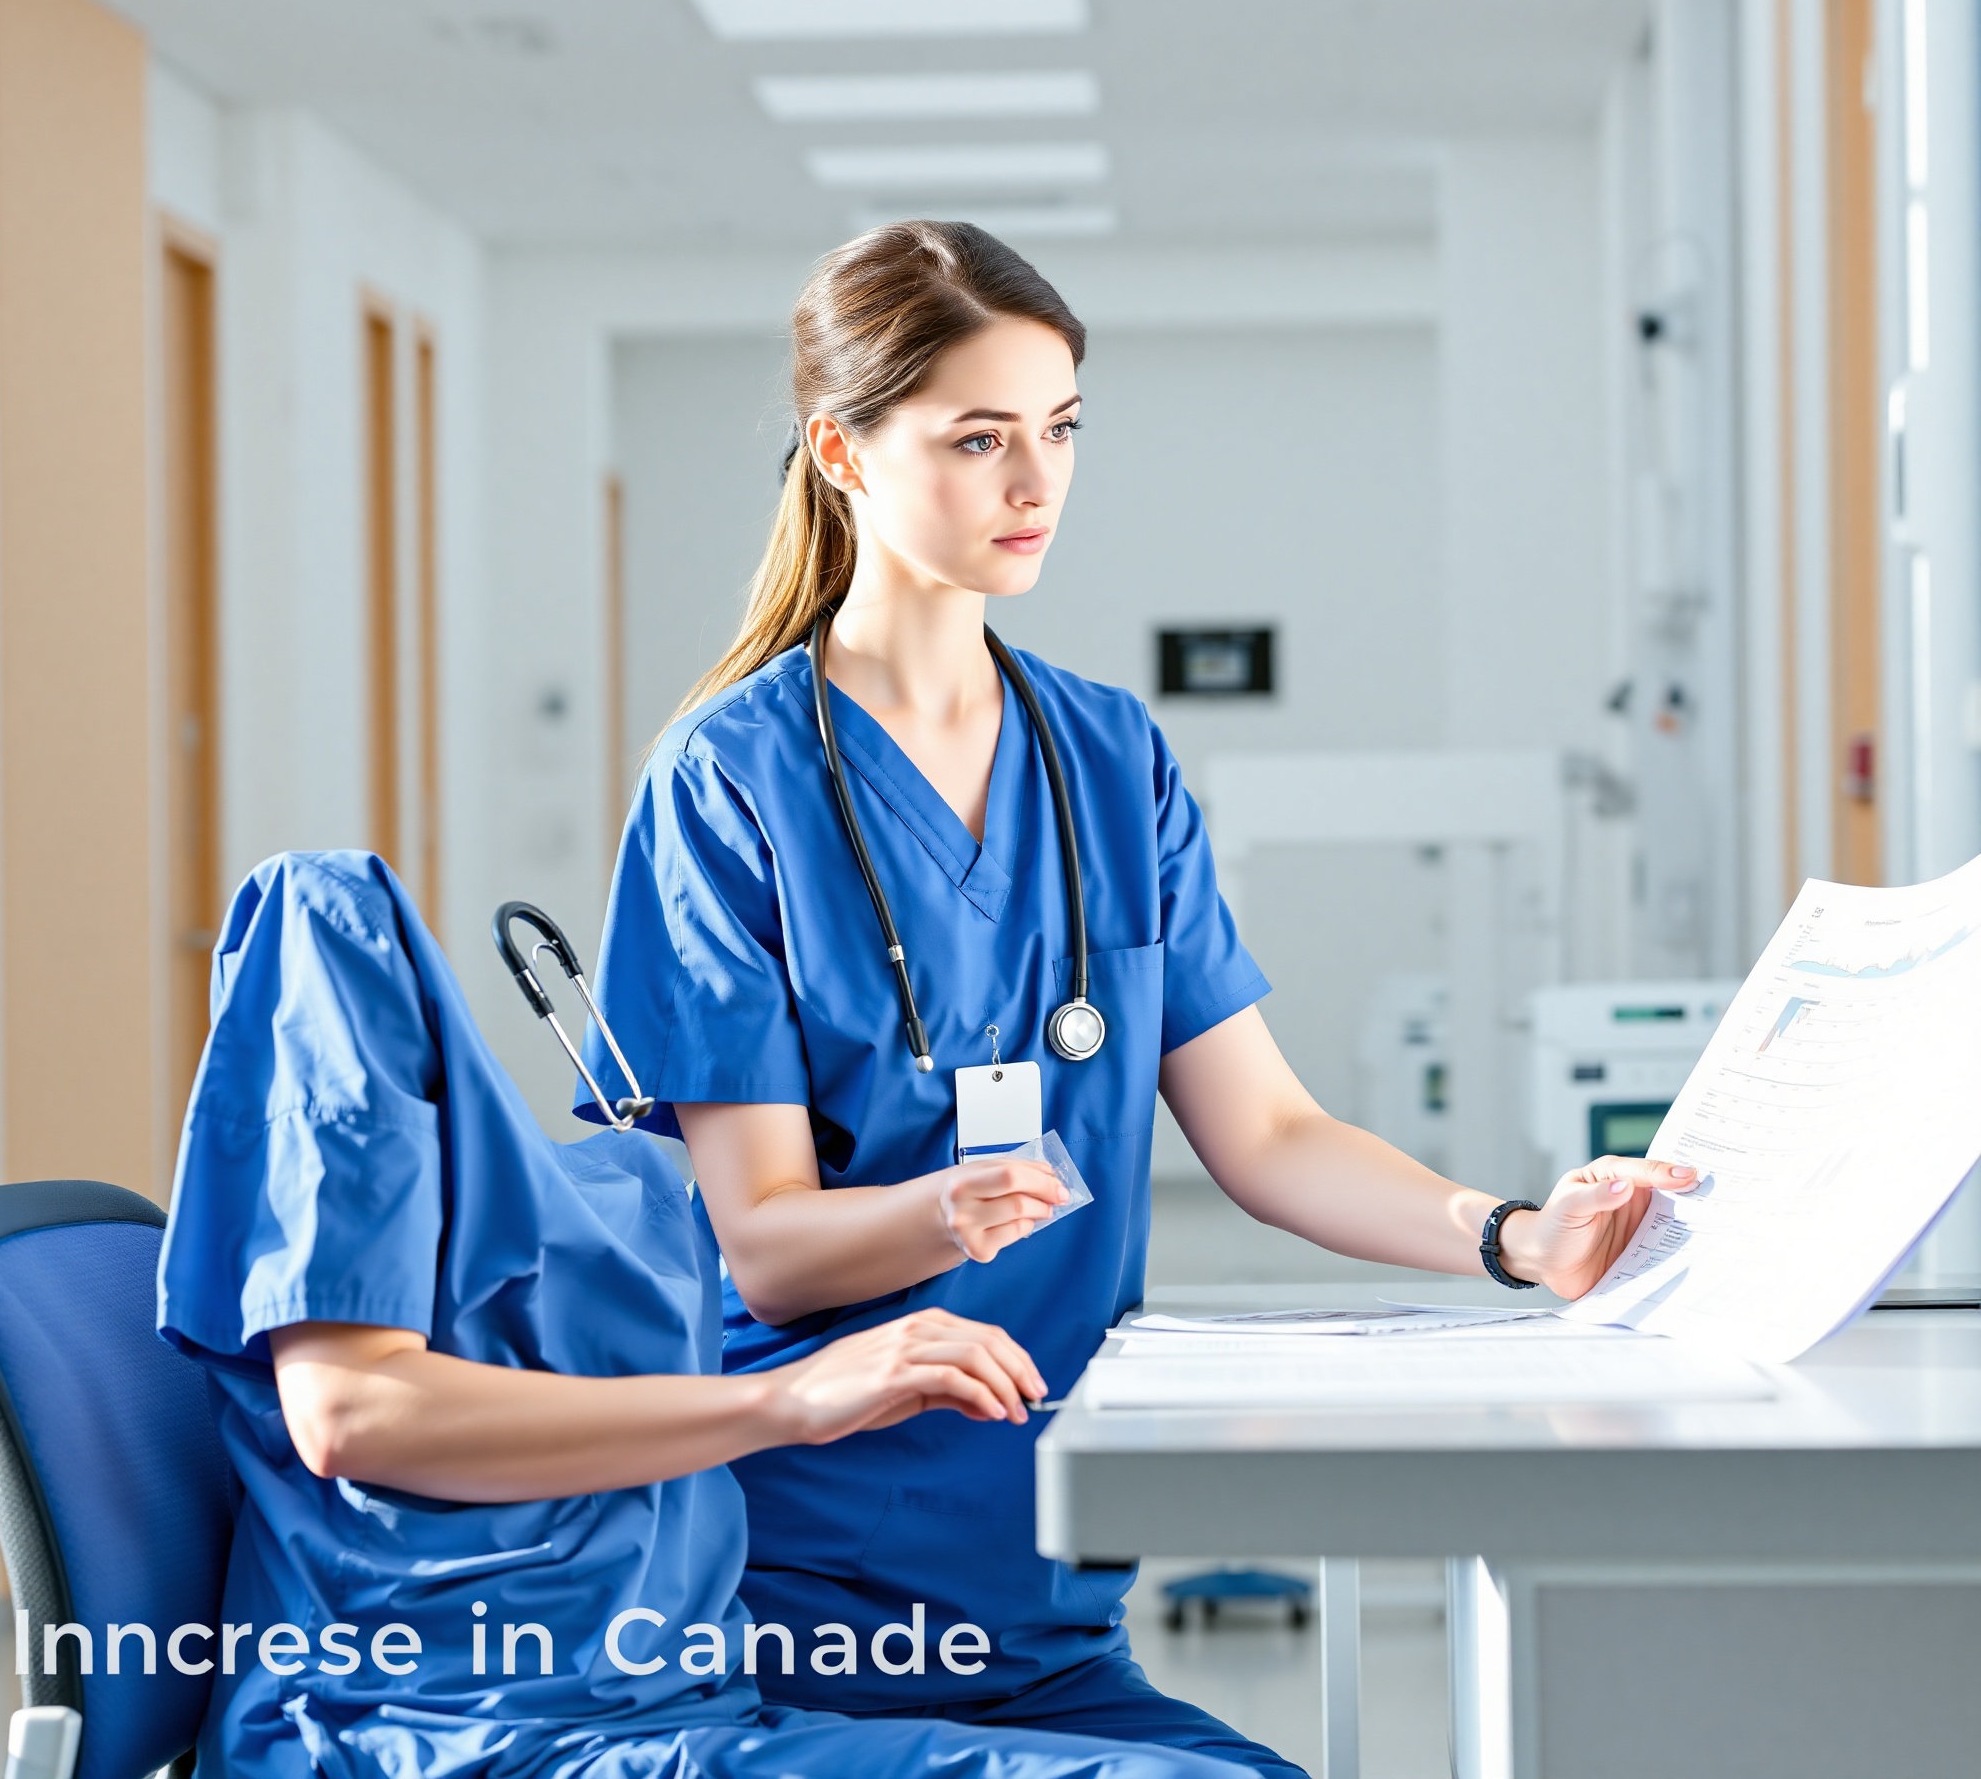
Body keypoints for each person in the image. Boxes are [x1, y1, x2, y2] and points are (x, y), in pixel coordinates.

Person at [587, 220, 1698, 1770]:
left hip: (1044, 1604)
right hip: (799, 1598)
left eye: (1059, 431)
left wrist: (1512, 1238)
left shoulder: (1111, 759)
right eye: (978, 440)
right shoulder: (729, 782)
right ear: (840, 451)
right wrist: (947, 1211)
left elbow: (1271, 1135)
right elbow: (766, 1247)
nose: (1034, 485)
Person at [158, 849, 1281, 1779]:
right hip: (453, 1730)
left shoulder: (616, 1190)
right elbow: (351, 1410)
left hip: (685, 1702)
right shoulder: (326, 941)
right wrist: (786, 1396)